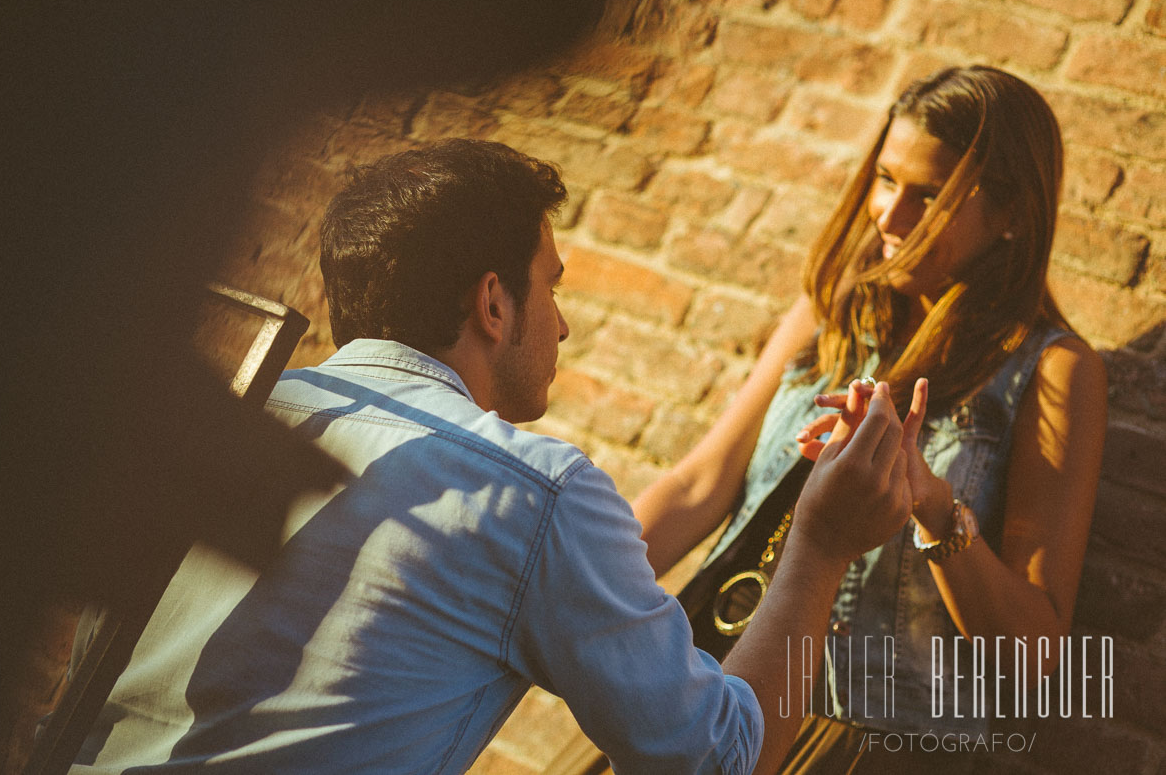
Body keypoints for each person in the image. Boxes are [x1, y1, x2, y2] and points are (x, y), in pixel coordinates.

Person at [71, 138, 918, 775]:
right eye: (552, 285)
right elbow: (721, 756)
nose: (563, 323)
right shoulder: (531, 492)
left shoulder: (229, 416)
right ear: (492, 302)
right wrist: (821, 550)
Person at [634, 66, 1108, 773]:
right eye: (885, 180)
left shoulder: (1051, 370)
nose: (888, 216)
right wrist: (561, 588)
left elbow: (1033, 653)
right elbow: (700, 484)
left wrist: (930, 503)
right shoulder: (829, 312)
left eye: (930, 196)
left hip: (862, 743)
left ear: (1011, 212)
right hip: (713, 693)